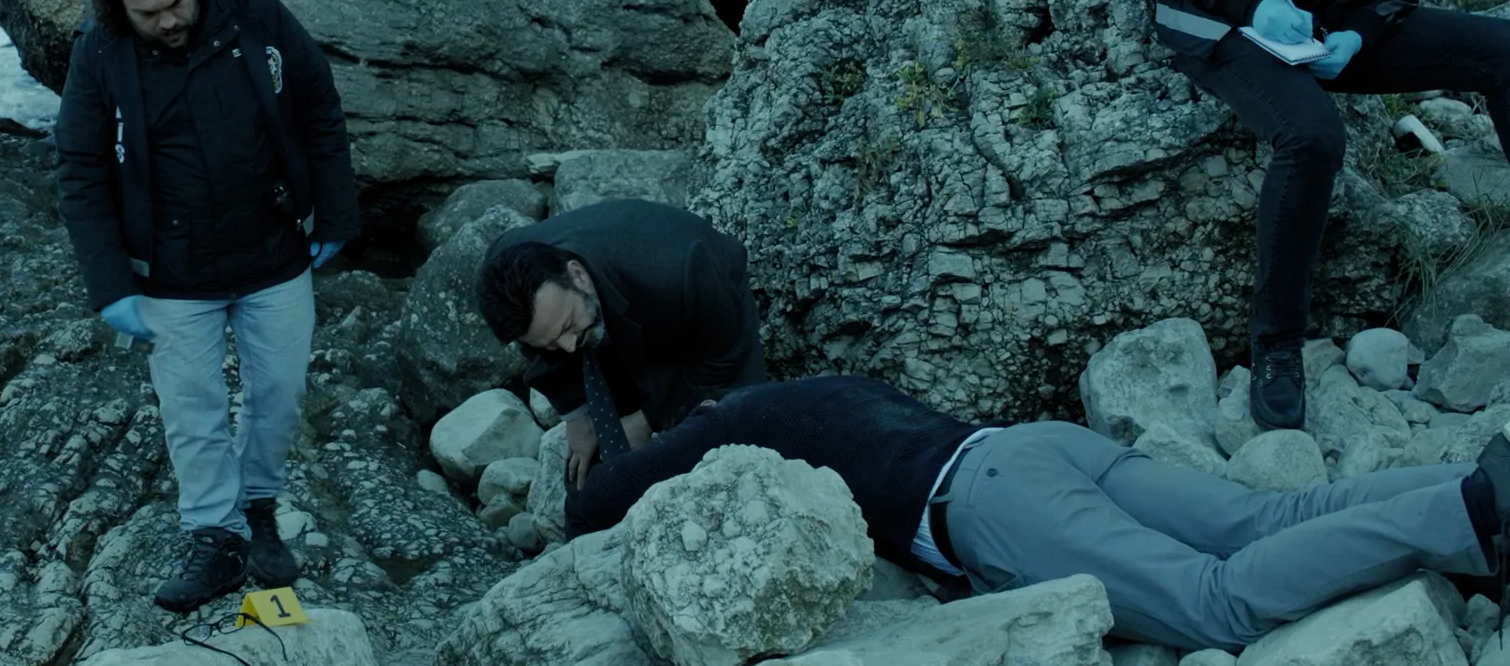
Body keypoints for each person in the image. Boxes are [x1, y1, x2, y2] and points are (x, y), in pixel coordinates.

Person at [566, 373, 1510, 655]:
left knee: (1216, 603)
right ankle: (1481, 479)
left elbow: (594, 510)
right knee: (1272, 513)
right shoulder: (820, 385)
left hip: (990, 504)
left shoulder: (729, 430)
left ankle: (1468, 512)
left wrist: (620, 448)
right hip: (1038, 445)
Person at [1142, 0, 1510, 431]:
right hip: (1220, 17)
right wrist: (1252, 7)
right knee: (1312, 137)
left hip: (1333, 23)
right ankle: (1278, 345)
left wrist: (1363, 33)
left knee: (1504, 50)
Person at [54, 0, 359, 612]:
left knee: (279, 394)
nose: (168, 20)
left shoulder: (255, 9)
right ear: (117, 9)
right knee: (193, 411)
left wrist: (336, 216)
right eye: (148, 14)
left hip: (273, 249)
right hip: (169, 269)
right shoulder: (99, 51)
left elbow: (317, 104)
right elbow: (80, 168)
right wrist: (110, 283)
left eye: (176, 2)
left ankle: (258, 505)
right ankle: (214, 535)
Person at [476, 199, 767, 489]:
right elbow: (540, 345)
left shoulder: (680, 268)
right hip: (612, 302)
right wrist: (577, 415)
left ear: (578, 276)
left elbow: (724, 355)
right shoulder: (506, 282)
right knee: (605, 471)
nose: (569, 347)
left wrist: (648, 418)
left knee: (744, 431)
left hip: (712, 310)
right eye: (551, 342)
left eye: (566, 326)